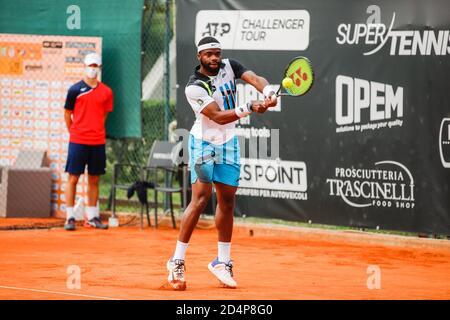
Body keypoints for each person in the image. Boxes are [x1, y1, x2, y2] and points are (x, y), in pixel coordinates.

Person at [166, 36, 277, 290]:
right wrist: (249, 107)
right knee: (201, 198)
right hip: (203, 143)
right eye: (209, 54)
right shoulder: (194, 86)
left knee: (227, 200)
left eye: (217, 53)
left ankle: (222, 262)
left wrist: (268, 92)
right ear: (200, 57)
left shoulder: (231, 65)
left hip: (228, 144)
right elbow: (217, 116)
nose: (214, 58)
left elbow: (255, 78)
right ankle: (177, 260)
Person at [63, 53, 113, 231]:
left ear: (100, 68)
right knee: (73, 178)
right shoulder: (74, 90)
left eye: (96, 66)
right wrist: (75, 132)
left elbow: (104, 115)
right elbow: (67, 114)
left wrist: (95, 129)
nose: (93, 69)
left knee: (94, 179)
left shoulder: (107, 92)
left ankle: (92, 217)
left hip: (97, 141)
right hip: (78, 140)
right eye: (90, 65)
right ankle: (69, 217)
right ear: (84, 66)